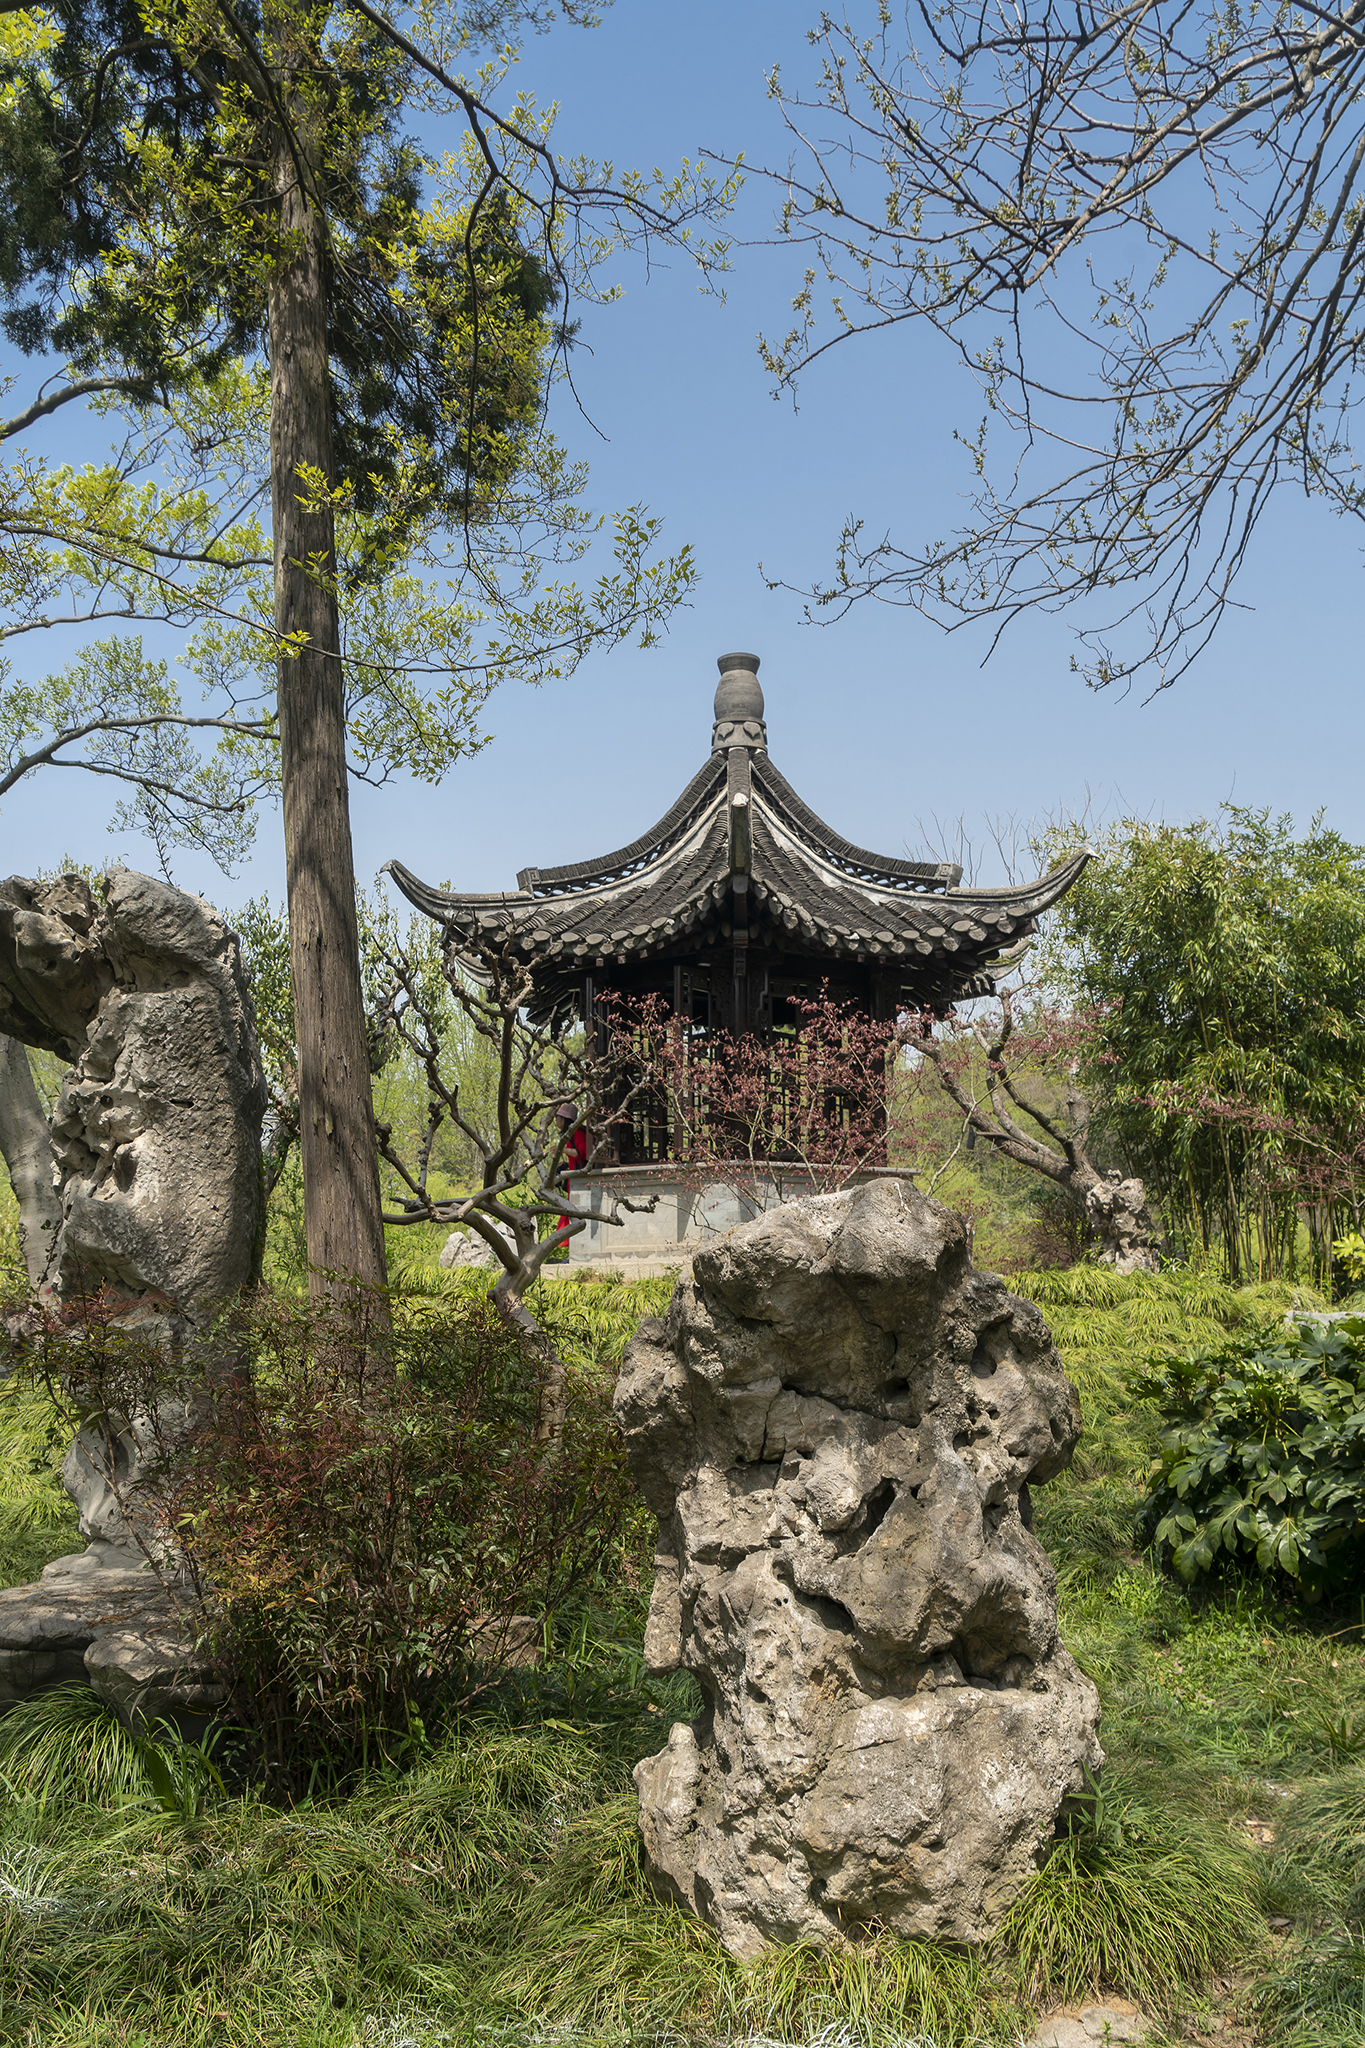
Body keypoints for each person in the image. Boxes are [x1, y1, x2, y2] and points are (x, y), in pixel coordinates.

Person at [555, 1100, 588, 1232]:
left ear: (564, 1119)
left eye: (557, 1118)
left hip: (579, 1180)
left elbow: (582, 1153)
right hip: (573, 1179)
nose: (556, 1121)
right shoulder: (572, 1133)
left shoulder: (577, 1132)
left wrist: (563, 1150)